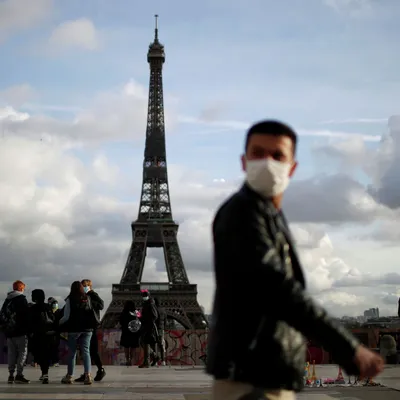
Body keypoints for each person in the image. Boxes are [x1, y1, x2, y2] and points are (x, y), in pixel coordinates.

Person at [206, 120, 384, 400]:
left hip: (263, 371)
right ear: (243, 161)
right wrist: (347, 348)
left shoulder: (267, 215)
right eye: (258, 153)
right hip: (252, 376)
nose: (267, 162)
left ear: (293, 167)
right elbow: (279, 290)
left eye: (277, 155)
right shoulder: (242, 214)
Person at [59, 281, 96, 385]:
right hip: (87, 329)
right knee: (86, 351)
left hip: (74, 329)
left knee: (72, 353)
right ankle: (87, 375)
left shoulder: (70, 299)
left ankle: (70, 376)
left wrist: (58, 323)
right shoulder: (87, 298)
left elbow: (66, 317)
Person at [73, 279, 106, 383]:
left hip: (91, 326)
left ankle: (100, 369)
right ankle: (87, 373)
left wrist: (89, 301)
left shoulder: (92, 294)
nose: (82, 287)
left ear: (88, 286)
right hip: (86, 326)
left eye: (84, 285)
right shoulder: (83, 296)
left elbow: (101, 305)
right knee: (87, 351)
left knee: (92, 350)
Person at [0, 280, 30, 384]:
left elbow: (2, 315)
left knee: (11, 354)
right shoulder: (21, 299)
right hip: (20, 331)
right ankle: (19, 374)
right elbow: (25, 316)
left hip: (9, 332)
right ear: (21, 288)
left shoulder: (7, 300)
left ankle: (11, 375)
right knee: (22, 353)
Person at [28, 289, 56, 384]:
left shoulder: (33, 308)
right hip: (49, 334)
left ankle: (44, 374)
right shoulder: (48, 307)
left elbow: (30, 322)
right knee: (46, 354)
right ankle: (45, 373)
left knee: (39, 355)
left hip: (38, 335)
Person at [138, 289, 158, 368]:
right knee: (143, 342)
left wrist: (144, 319)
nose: (144, 297)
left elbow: (154, 316)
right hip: (146, 325)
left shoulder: (150, 304)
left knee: (145, 342)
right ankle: (154, 356)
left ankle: (147, 362)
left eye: (145, 295)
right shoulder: (146, 303)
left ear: (148, 296)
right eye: (143, 295)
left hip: (149, 326)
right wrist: (139, 316)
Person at [119, 300, 141, 366]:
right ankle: (130, 359)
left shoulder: (124, 312)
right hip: (134, 332)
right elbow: (140, 319)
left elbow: (121, 322)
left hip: (126, 331)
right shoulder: (136, 312)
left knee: (126, 346)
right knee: (133, 347)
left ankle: (127, 360)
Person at [153, 297, 167, 366]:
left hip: (154, 329)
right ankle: (163, 361)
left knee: (154, 344)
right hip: (161, 329)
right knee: (161, 344)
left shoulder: (154, 309)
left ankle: (155, 361)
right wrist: (163, 327)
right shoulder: (163, 310)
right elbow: (165, 321)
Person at [48, 298, 62, 367]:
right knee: (54, 347)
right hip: (55, 331)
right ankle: (54, 361)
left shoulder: (50, 311)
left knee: (53, 347)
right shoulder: (55, 311)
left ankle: (54, 361)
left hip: (53, 331)